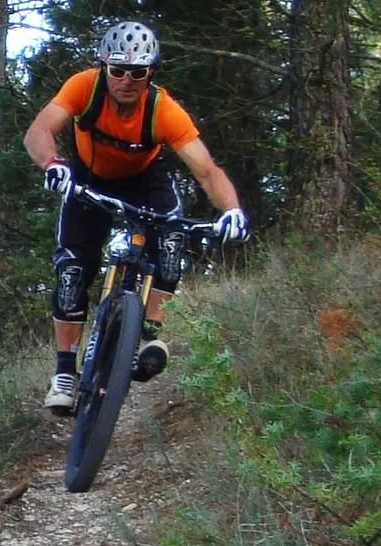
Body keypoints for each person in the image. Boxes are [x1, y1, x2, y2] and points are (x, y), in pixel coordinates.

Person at [23, 21, 248, 415]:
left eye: (138, 72)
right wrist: (52, 164)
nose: (127, 80)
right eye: (118, 70)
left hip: (144, 182)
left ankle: (148, 333)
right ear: (104, 68)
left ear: (150, 73)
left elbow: (206, 170)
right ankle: (64, 372)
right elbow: (39, 130)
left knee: (173, 246)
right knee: (73, 272)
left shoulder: (163, 110)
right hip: (88, 178)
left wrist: (232, 210)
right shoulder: (83, 87)